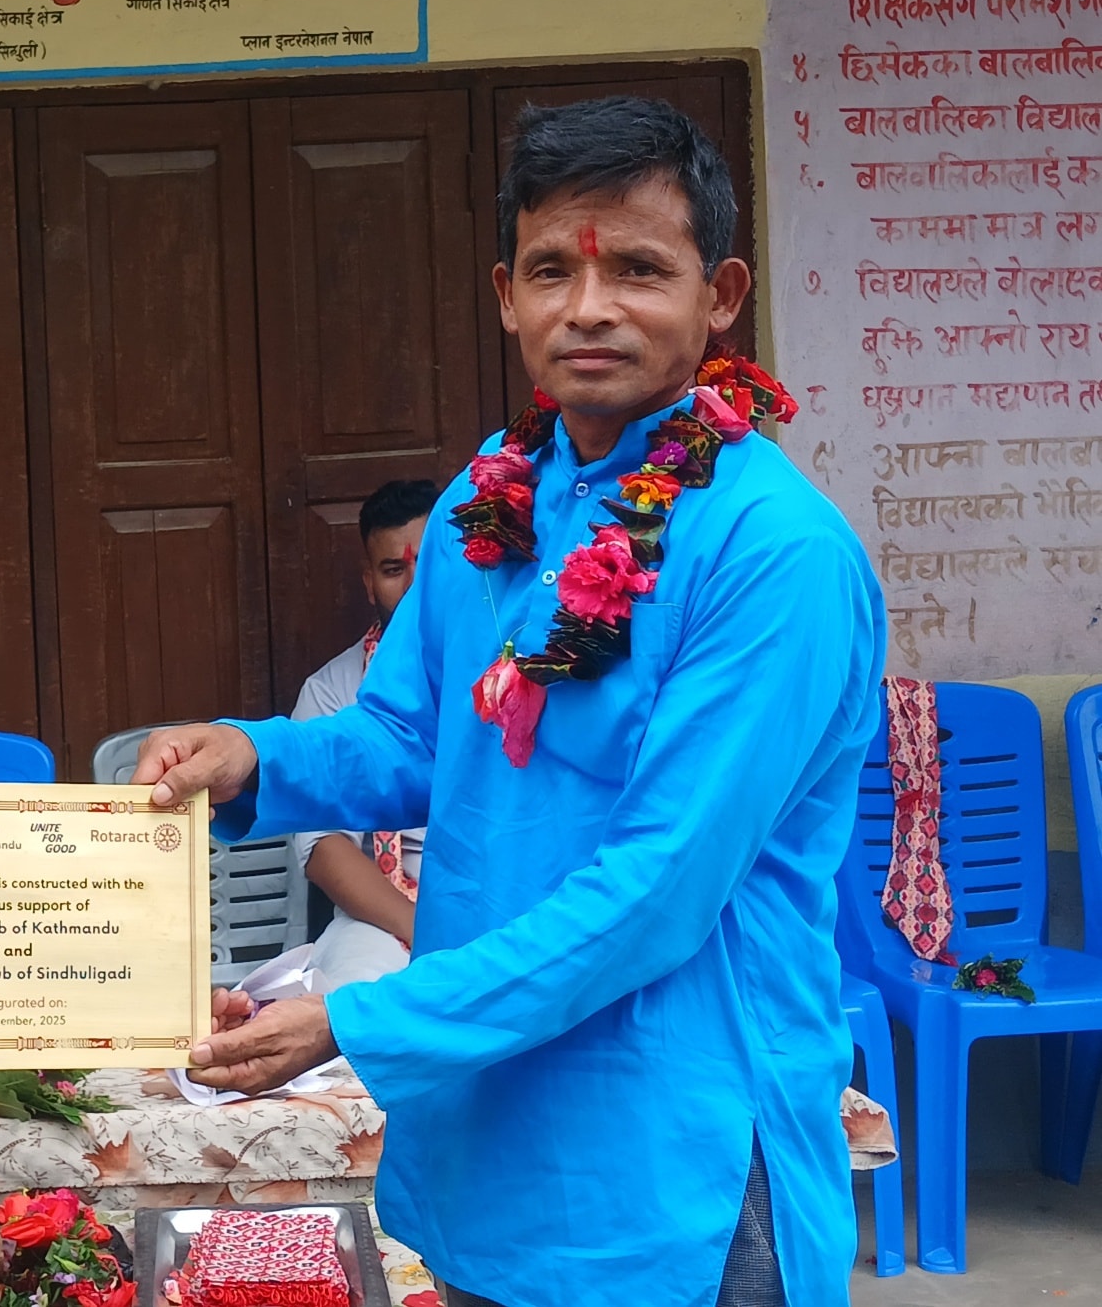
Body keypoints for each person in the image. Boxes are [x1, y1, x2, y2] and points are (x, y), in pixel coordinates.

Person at [137, 96, 884, 1307]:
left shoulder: (771, 552)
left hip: (672, 1173)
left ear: (723, 293)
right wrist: (249, 761)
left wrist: (358, 1022)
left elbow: (657, 892)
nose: (589, 308)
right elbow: (409, 737)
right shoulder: (493, 508)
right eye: (552, 270)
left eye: (640, 268)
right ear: (506, 294)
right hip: (487, 1144)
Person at [289, 479, 437, 990]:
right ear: (369, 582)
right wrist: (423, 930)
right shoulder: (331, 692)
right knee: (360, 999)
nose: (416, 586)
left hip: (500, 903)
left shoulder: (513, 675)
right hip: (384, 917)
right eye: (394, 570)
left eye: (430, 563)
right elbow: (325, 850)